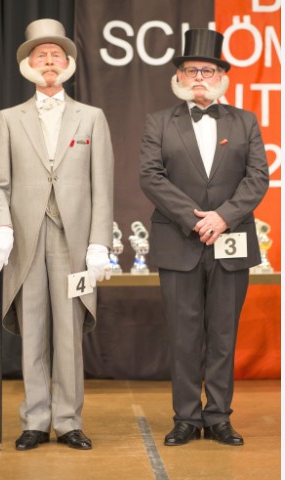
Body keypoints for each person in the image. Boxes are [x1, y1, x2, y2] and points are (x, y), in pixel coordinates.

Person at [0, 18, 114, 451]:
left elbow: (102, 187)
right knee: (34, 328)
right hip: (26, 238)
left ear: (68, 63)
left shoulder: (92, 118)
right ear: (28, 64)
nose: (48, 62)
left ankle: (69, 419)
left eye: (55, 55)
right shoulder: (9, 118)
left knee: (69, 335)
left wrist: (100, 242)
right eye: (40, 55)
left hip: (74, 242)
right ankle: (36, 420)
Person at [139, 29, 269, 446]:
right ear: (178, 76)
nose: (199, 76)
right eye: (191, 69)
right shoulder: (159, 121)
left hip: (232, 240)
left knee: (224, 335)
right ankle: (185, 417)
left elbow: (257, 178)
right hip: (180, 241)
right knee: (184, 335)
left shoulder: (244, 121)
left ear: (221, 77)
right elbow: (151, 176)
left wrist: (224, 217)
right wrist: (196, 220)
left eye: (207, 69)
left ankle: (218, 417)